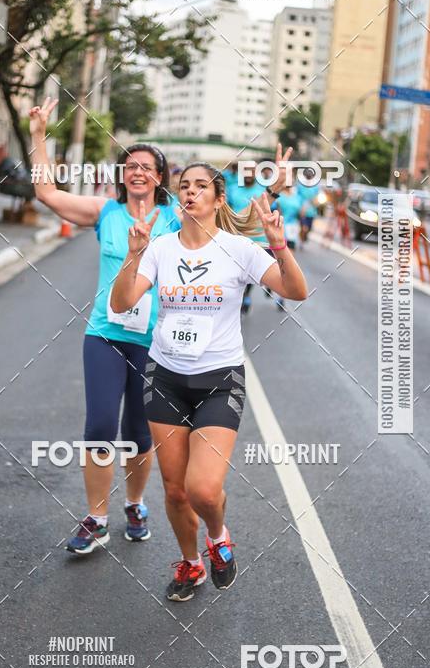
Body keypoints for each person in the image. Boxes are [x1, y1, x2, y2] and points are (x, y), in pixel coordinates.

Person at [110, 163, 307, 601]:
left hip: (219, 380)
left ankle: (218, 538)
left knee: (202, 488)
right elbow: (121, 302)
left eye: (201, 186)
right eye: (185, 187)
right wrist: (134, 255)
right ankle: (191, 562)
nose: (191, 193)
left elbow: (296, 291)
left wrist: (278, 246)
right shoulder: (160, 248)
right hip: (165, 377)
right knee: (176, 491)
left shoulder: (239, 249)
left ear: (219, 199)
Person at [28, 97, 180, 555]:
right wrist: (38, 136)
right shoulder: (105, 213)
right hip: (105, 334)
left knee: (139, 433)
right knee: (99, 427)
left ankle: (134, 504)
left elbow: (232, 226)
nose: (137, 172)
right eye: (130, 166)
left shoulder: (177, 219)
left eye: (147, 167)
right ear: (121, 175)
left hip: (154, 341)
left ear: (160, 175)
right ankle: (97, 517)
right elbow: (46, 194)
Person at [226, 145, 292, 313]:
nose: (248, 173)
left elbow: (276, 208)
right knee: (243, 274)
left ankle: (278, 292)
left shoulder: (263, 191)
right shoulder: (232, 190)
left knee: (269, 270)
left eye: (251, 170)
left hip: (263, 240)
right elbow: (228, 214)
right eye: (245, 170)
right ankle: (246, 296)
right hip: (240, 240)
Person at [296, 169, 320, 244]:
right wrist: (300, 207)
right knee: (304, 228)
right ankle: (301, 238)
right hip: (302, 210)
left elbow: (317, 197)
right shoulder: (300, 185)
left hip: (311, 211)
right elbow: (297, 196)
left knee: (309, 228)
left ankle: (303, 237)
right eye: (308, 174)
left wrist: (316, 202)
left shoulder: (315, 186)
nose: (309, 176)